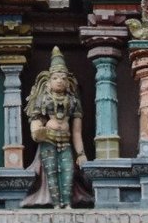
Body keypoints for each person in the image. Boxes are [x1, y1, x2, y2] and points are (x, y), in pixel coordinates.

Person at [22, 48, 90, 208]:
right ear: (48, 81)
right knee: (50, 173)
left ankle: (67, 203)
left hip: (66, 142)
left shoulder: (73, 102)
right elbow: (35, 119)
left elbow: (77, 131)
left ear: (67, 82)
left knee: (69, 172)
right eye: (55, 77)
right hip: (48, 140)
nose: (59, 81)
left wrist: (81, 154)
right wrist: (36, 132)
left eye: (63, 78)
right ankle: (55, 204)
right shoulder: (43, 99)